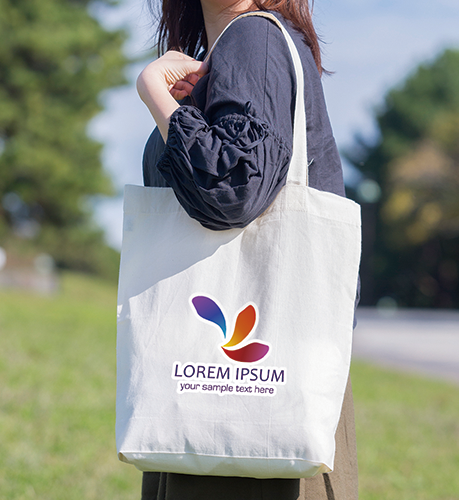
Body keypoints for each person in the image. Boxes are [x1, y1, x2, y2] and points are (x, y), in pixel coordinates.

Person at [136, 0, 358, 498]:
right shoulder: (238, 47)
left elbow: (231, 189)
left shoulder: (254, 38)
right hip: (237, 389)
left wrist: (154, 94)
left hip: (245, 394)